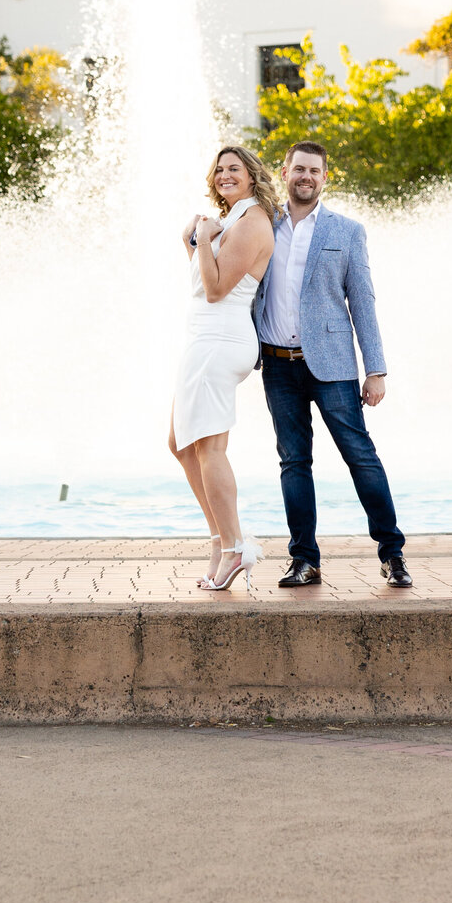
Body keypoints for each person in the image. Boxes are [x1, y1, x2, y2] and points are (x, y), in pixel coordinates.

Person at [254, 141, 411, 589]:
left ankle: (392, 555)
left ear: (325, 177)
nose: (306, 176)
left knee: (361, 458)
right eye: (298, 169)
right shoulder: (263, 225)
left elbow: (363, 301)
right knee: (293, 462)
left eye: (314, 171)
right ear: (284, 172)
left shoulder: (347, 231)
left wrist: (375, 369)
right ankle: (304, 560)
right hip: (278, 365)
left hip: (335, 367)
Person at [169, 144, 277, 593]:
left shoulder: (252, 223)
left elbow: (215, 290)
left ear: (252, 176)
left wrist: (206, 238)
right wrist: (191, 241)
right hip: (205, 339)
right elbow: (202, 279)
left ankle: (233, 548)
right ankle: (220, 539)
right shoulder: (232, 219)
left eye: (234, 169)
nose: (224, 175)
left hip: (221, 340)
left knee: (209, 448)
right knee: (180, 442)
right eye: (219, 170)